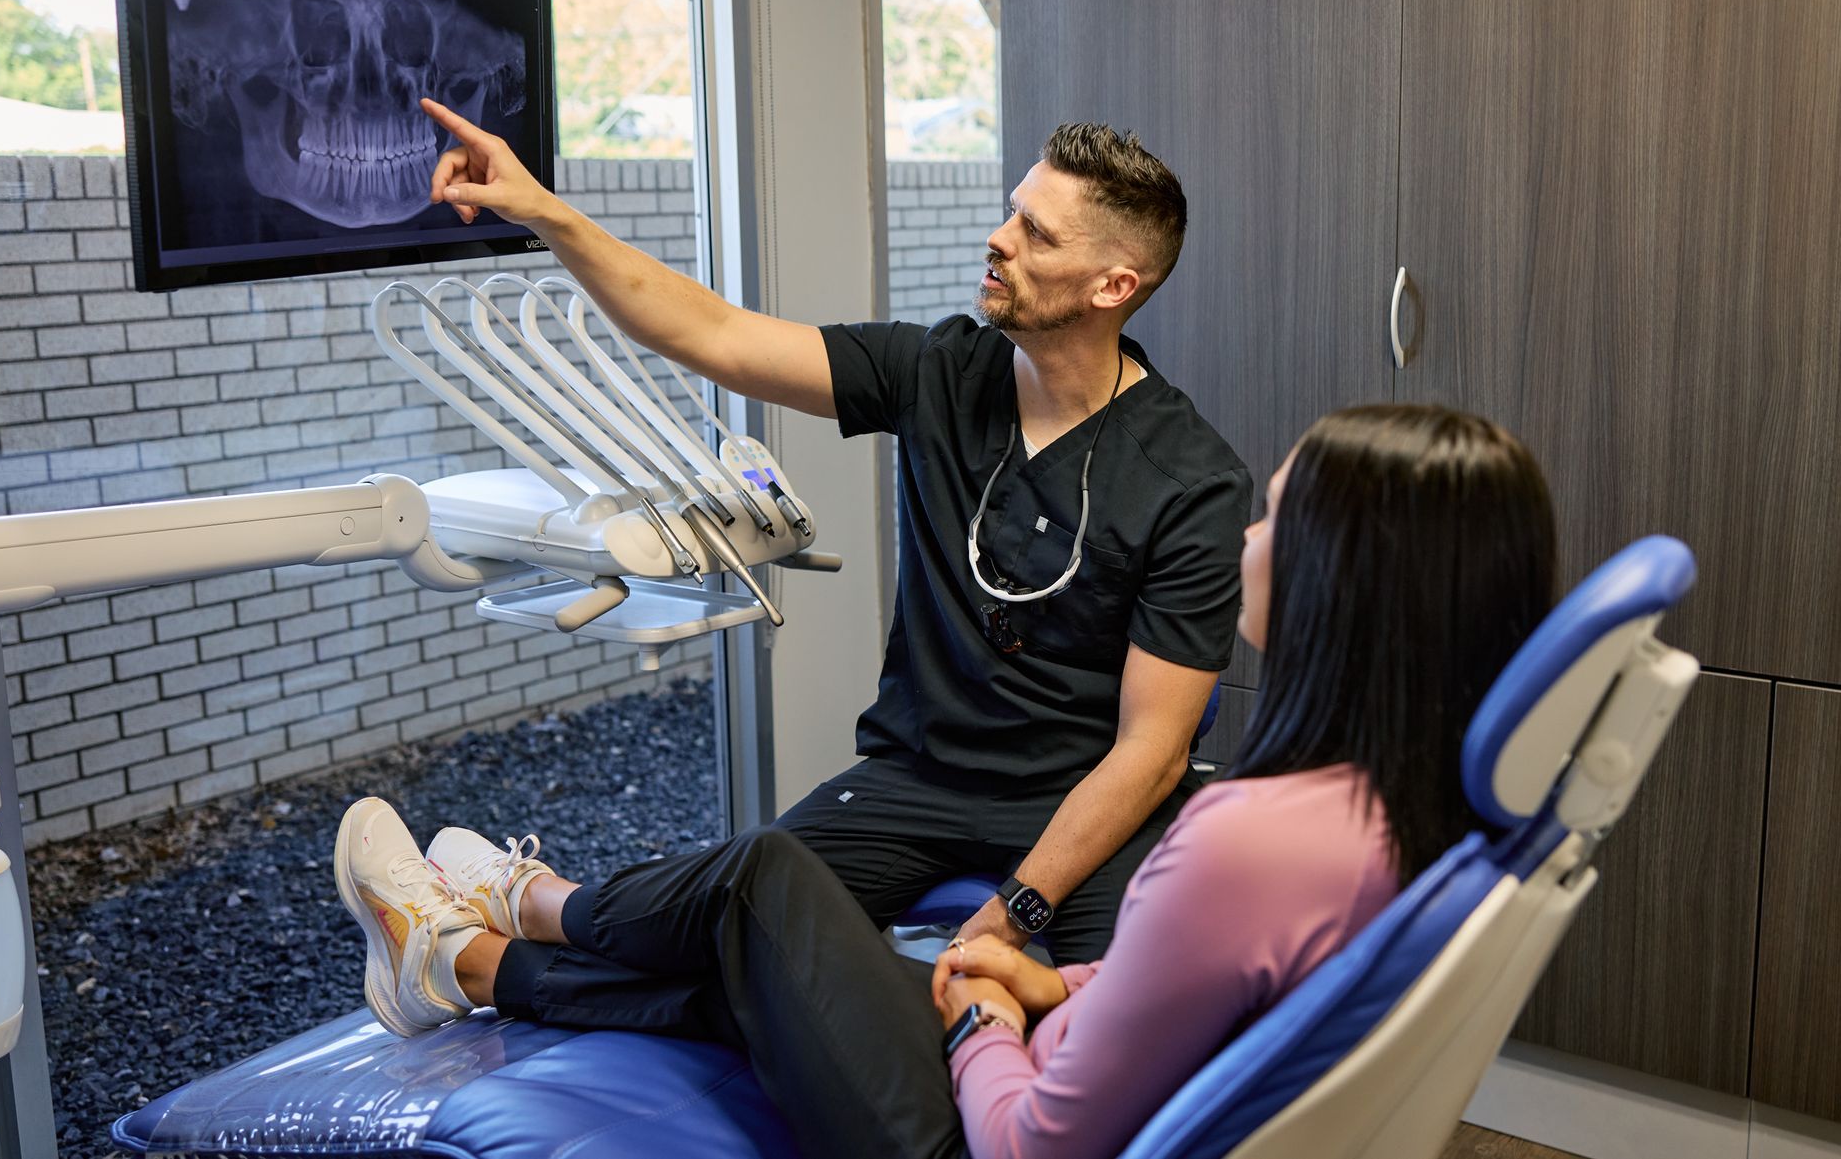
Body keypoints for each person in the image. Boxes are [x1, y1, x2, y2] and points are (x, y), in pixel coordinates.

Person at [336, 403, 1558, 1159]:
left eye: (1274, 523)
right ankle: (464, 961)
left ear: (1351, 586)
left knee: (768, 882)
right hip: (1112, 1081)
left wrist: (986, 1015)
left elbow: (1032, 1144)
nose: (1244, 543)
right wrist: (1055, 979)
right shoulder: (1426, 809)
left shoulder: (1250, 839)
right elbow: (1224, 990)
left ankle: (514, 912)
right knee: (792, 986)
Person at [413, 96, 1253, 963]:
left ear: (1114, 286)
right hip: (916, 781)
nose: (1000, 237)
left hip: (1088, 797)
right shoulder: (939, 370)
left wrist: (1017, 908)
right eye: (1011, 210)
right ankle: (514, 924)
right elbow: (715, 333)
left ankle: (489, 962)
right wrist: (543, 209)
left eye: (1036, 233)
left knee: (1116, 1025)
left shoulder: (1191, 479)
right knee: (737, 935)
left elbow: (1152, 752)